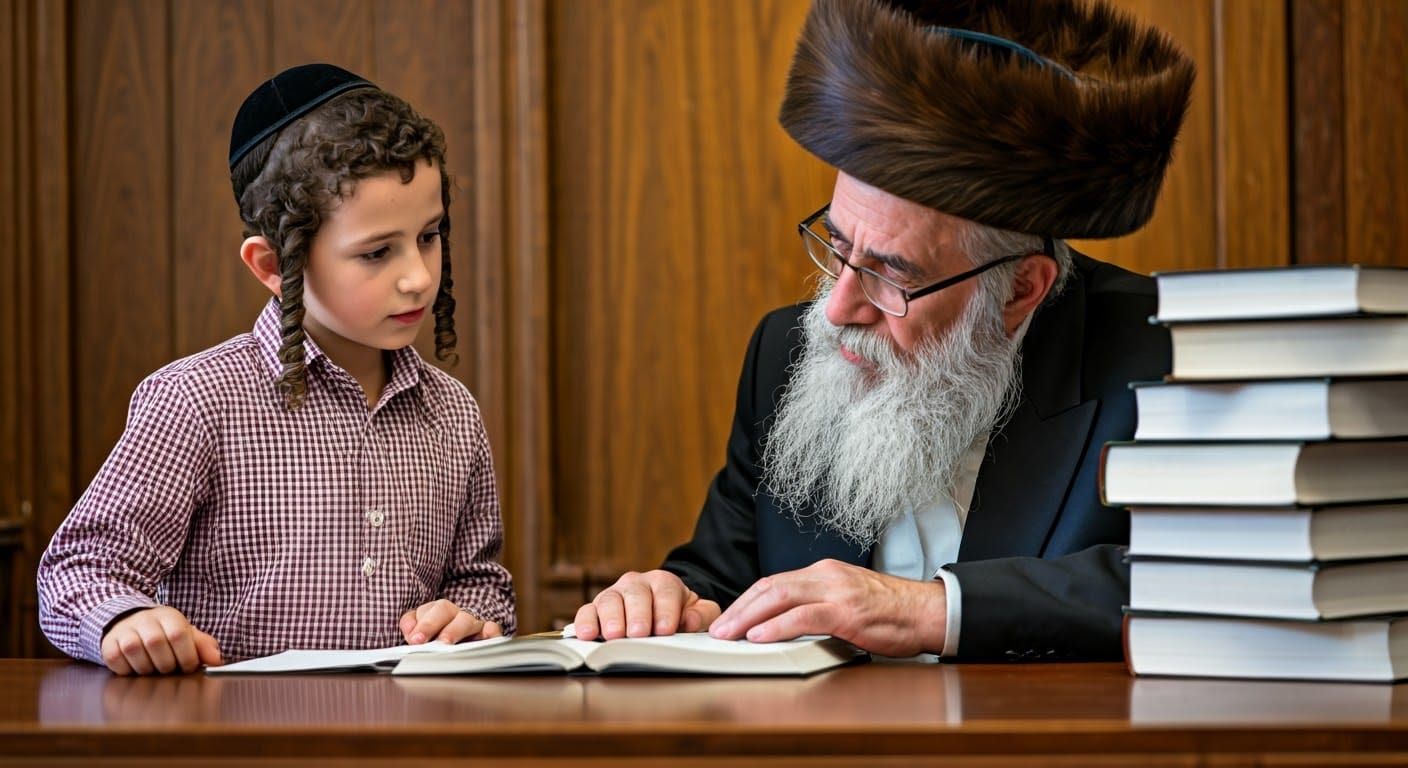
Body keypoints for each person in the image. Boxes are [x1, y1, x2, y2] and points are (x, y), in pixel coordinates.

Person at [575, 0, 1194, 660]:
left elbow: (1206, 582)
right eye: (839, 246)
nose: (839, 307)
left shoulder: (1162, 356)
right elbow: (725, 579)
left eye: (892, 274)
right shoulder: (787, 355)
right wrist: (667, 595)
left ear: (1021, 290)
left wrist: (937, 609)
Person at [37, 64, 516, 675]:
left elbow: (485, 586)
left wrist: (471, 616)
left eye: (429, 236)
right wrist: (125, 620)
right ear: (272, 265)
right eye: (376, 252)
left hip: (407, 736)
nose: (418, 276)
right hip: (232, 738)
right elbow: (79, 570)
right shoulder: (195, 400)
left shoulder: (453, 413)